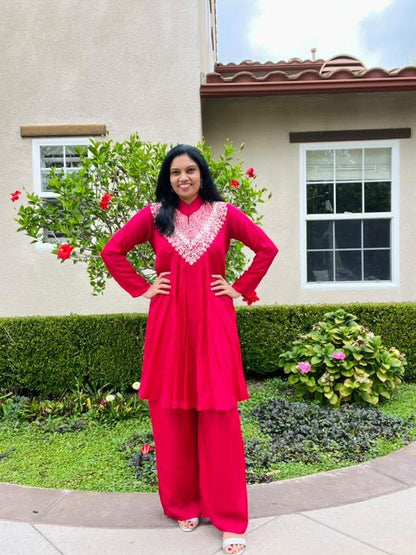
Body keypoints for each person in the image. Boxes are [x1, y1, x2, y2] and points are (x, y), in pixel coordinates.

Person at [101, 144, 278, 555]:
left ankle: (230, 519)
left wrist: (240, 287)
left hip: (215, 323)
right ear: (168, 177)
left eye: (191, 170)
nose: (184, 178)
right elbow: (112, 251)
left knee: (220, 419)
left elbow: (266, 249)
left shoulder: (225, 214)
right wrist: (144, 288)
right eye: (176, 172)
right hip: (168, 326)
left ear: (202, 174)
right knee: (171, 416)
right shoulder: (153, 216)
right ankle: (183, 503)